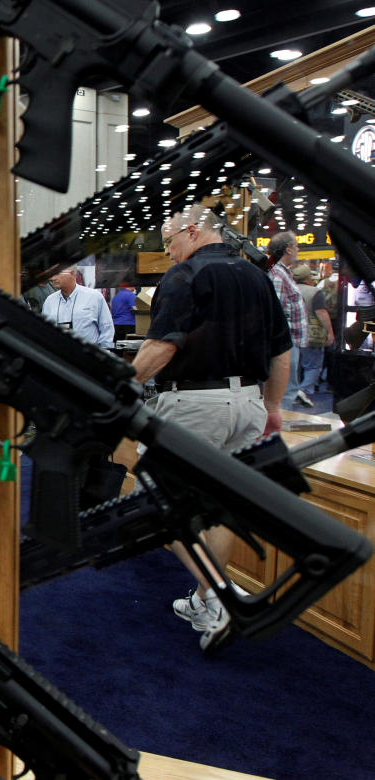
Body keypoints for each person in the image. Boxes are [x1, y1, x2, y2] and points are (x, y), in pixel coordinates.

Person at [132, 204, 290, 651]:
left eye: (169, 241)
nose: (168, 251)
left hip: (196, 404)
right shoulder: (258, 277)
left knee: (158, 501)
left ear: (194, 230)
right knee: (220, 506)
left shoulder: (184, 278)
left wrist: (121, 386)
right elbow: (282, 350)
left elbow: (161, 346)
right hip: (248, 404)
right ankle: (207, 598)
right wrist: (273, 406)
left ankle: (220, 597)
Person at [265, 232, 311, 408]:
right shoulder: (277, 274)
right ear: (289, 249)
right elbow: (276, 313)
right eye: (296, 246)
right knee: (285, 390)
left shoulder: (282, 273)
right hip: (286, 343)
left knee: (287, 388)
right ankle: (279, 428)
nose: (298, 249)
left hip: (288, 342)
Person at [41, 265, 115, 347]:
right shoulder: (49, 301)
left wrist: (102, 353)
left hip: (87, 356)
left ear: (72, 273)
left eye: (57, 273)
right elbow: (45, 330)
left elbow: (106, 328)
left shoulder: (94, 297)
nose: (53, 278)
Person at [293, 264, 333, 398]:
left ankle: (294, 390)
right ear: (308, 277)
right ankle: (304, 390)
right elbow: (321, 313)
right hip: (311, 333)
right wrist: (330, 333)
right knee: (313, 365)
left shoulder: (289, 289)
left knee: (296, 365)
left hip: (291, 332)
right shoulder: (315, 292)